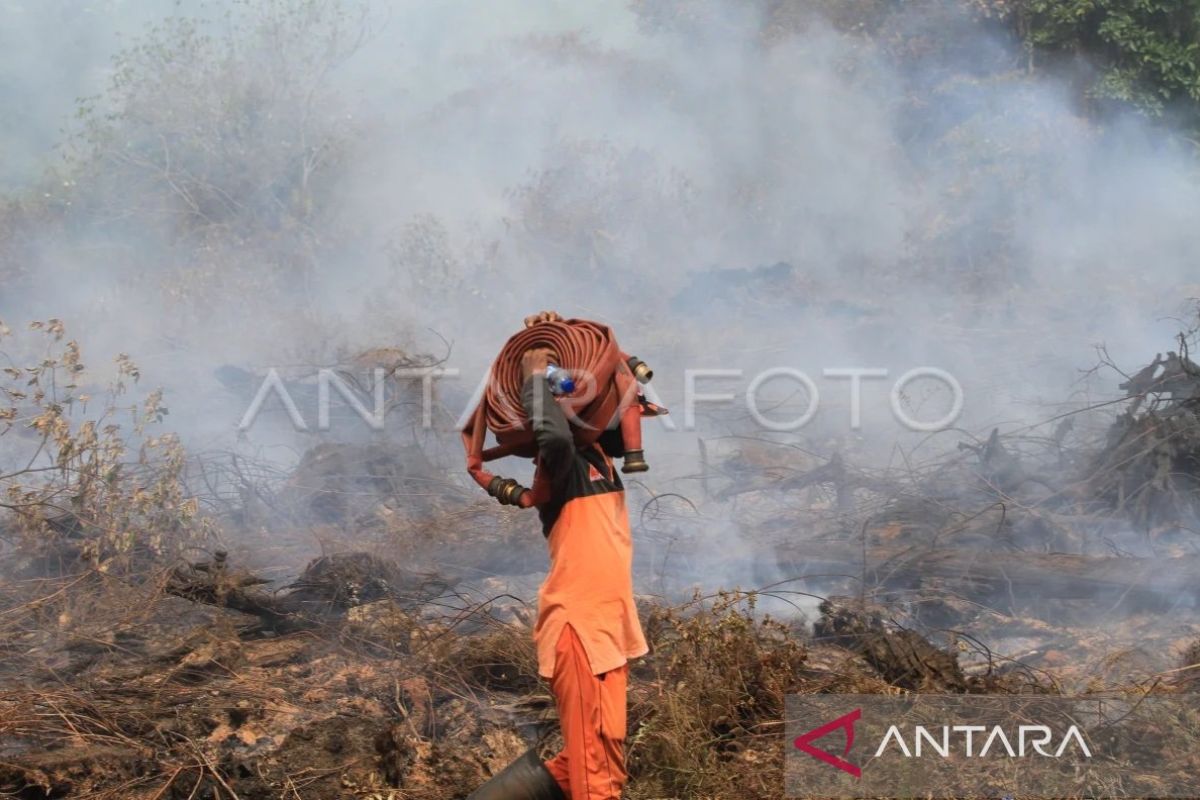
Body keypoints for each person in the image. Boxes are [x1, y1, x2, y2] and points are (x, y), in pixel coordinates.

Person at [467, 311, 647, 800]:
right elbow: (552, 432)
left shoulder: (604, 462)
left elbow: (615, 382)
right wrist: (535, 368)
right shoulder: (560, 464)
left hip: (608, 633)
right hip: (582, 633)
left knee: (598, 762)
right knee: (596, 780)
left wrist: (559, 335)